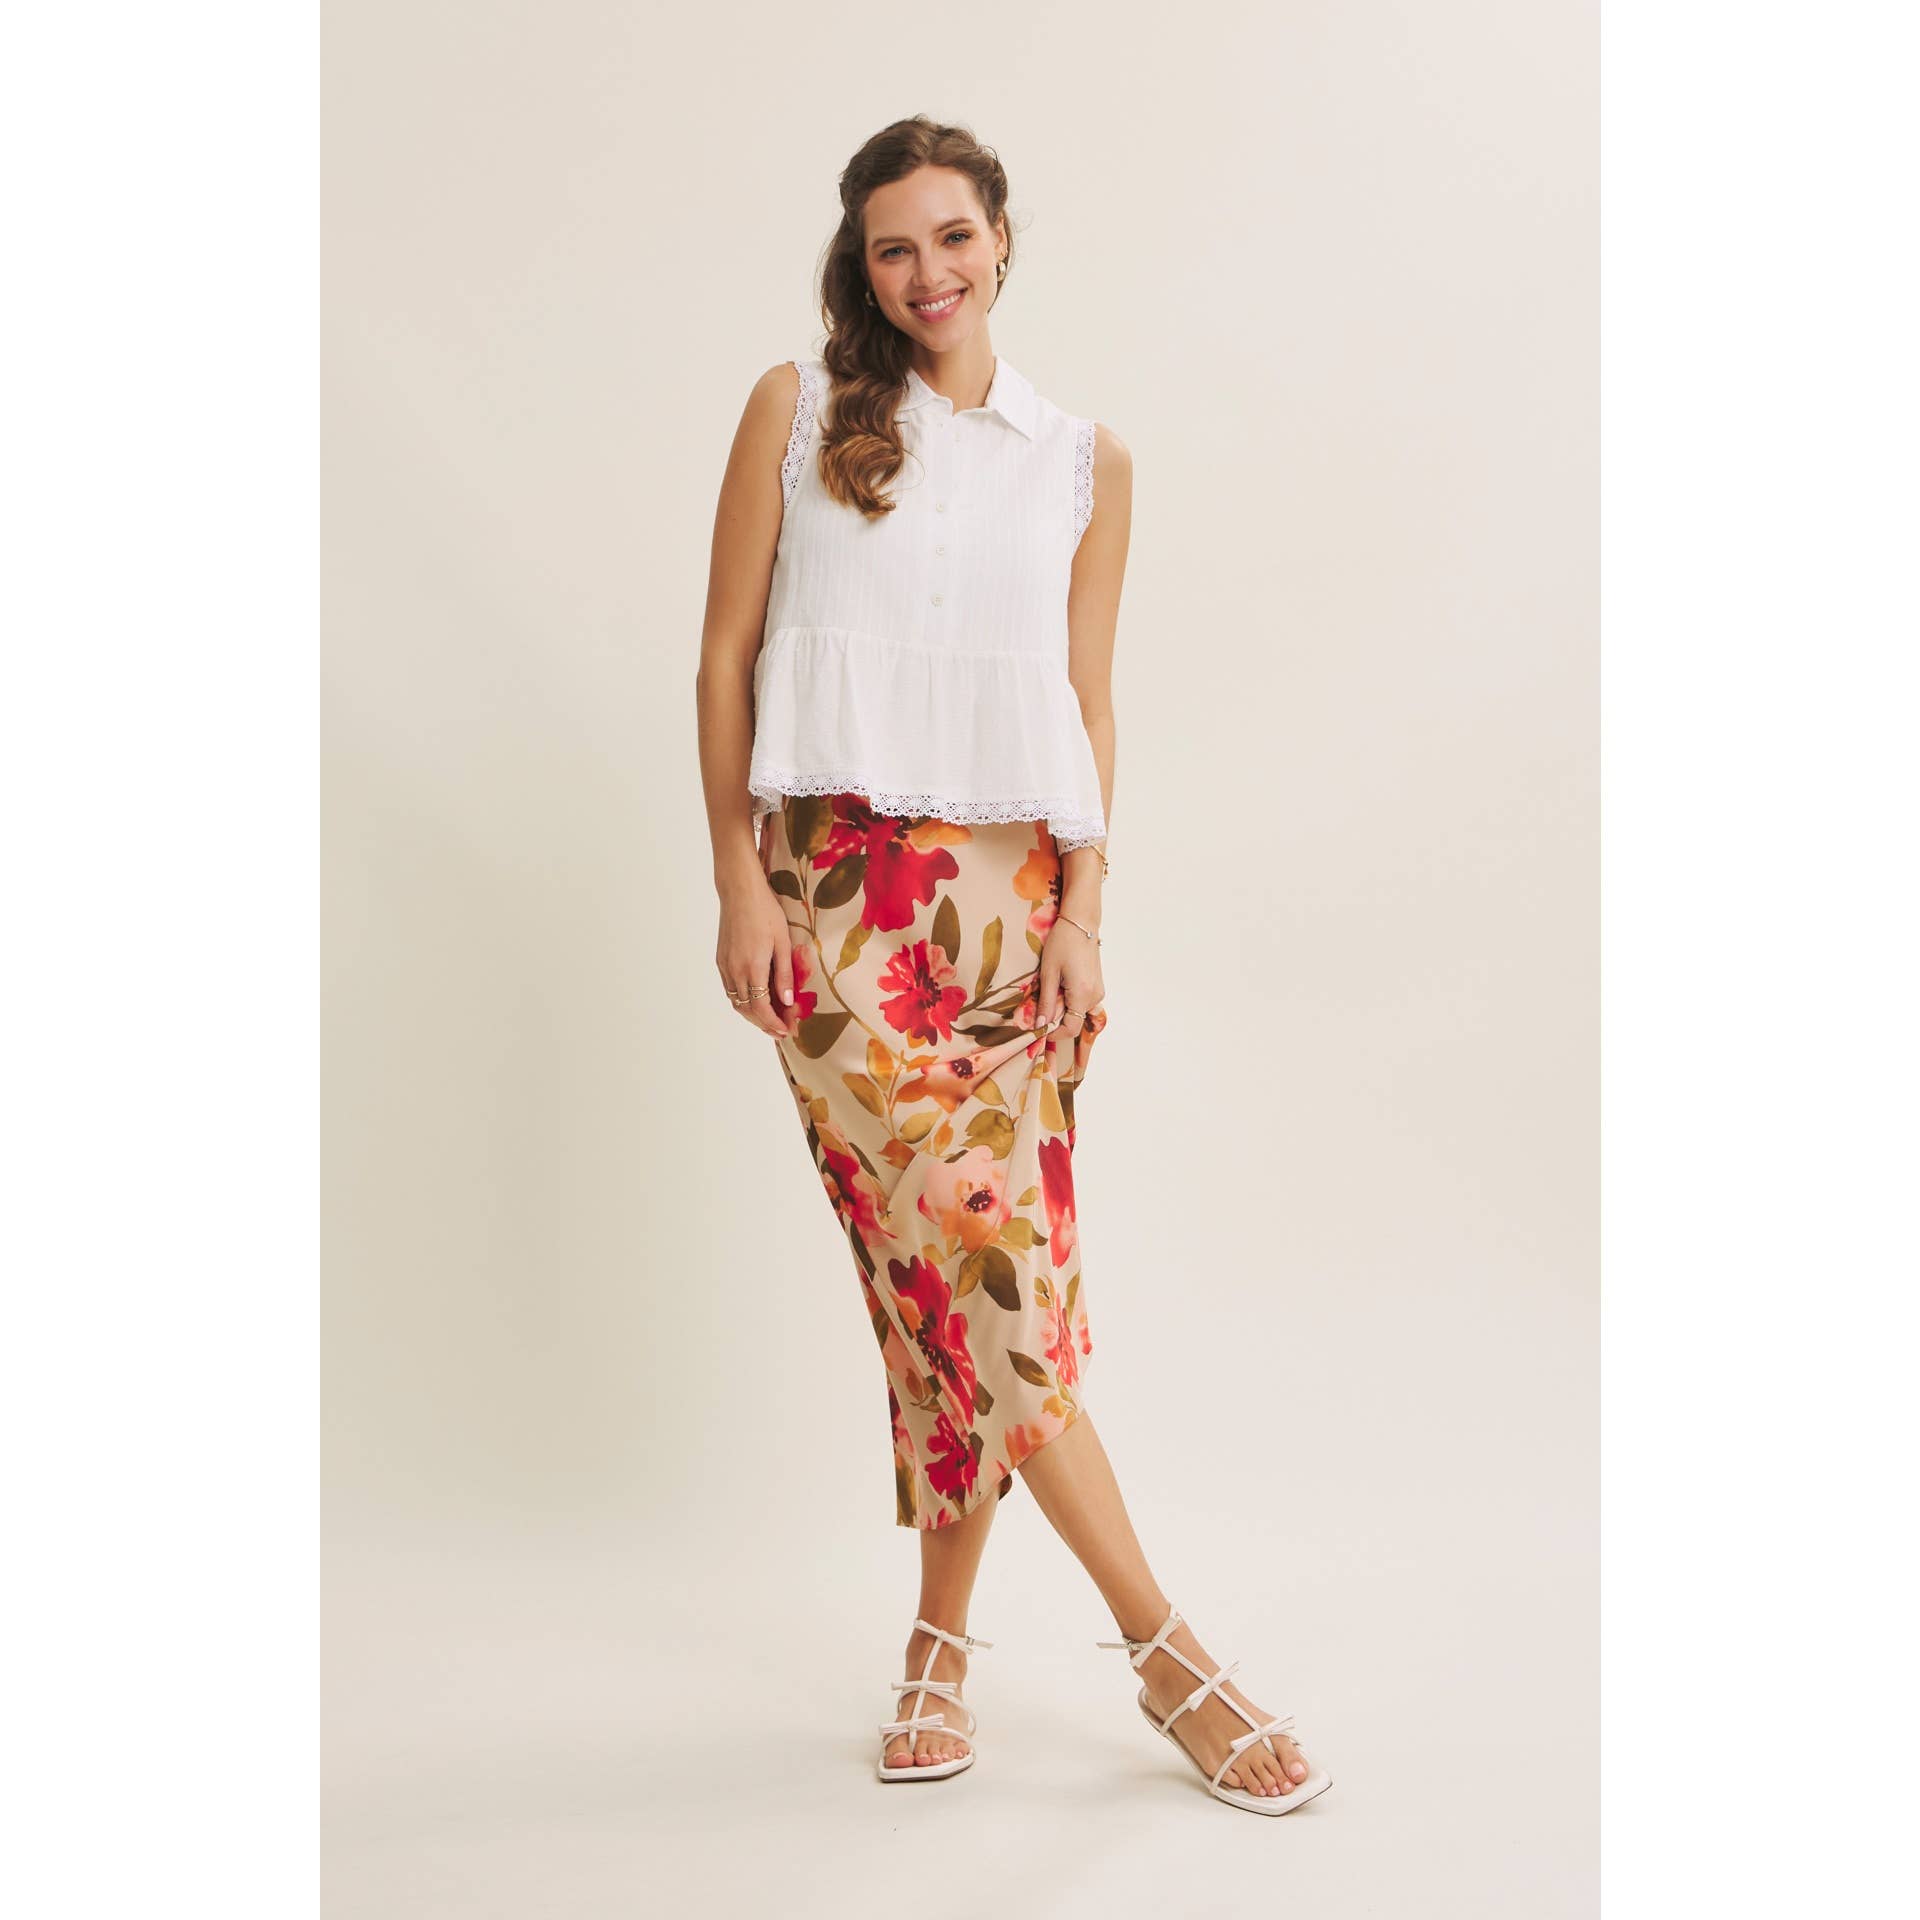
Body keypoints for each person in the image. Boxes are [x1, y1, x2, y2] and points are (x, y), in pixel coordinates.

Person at [694, 115, 1331, 1817]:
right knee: (984, 1273)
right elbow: (726, 656)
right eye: (895, 246)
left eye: (955, 236)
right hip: (837, 899)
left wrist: (1086, 908)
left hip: (1013, 907)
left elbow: (1084, 701)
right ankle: (1167, 1650)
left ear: (1002, 241)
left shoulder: (1082, 462)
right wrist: (739, 883)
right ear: (862, 263)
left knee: (962, 1293)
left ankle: (937, 1646)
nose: (930, 273)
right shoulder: (797, 410)